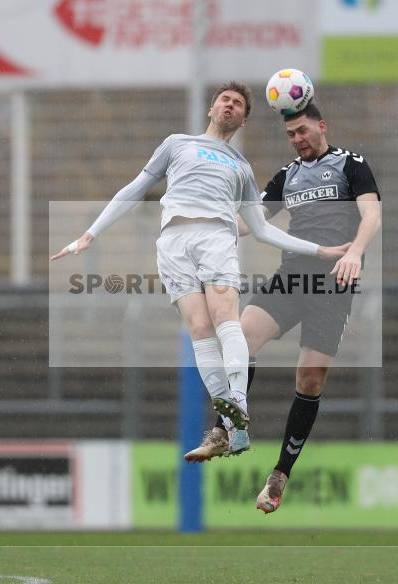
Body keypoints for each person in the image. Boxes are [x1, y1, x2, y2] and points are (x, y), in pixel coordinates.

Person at [51, 82, 349, 457]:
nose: (230, 105)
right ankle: (233, 422)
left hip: (216, 237)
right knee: (200, 329)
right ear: (211, 109)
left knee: (227, 316)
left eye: (238, 104)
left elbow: (261, 229)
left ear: (243, 120)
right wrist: (90, 234)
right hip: (173, 242)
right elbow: (136, 186)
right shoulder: (177, 143)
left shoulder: (241, 167)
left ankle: (237, 401)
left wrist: (318, 249)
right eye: (224, 99)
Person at [182, 102, 381, 515]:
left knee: (309, 381)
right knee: (239, 336)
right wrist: (201, 226)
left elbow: (372, 215)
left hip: (332, 285)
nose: (298, 139)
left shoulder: (350, 165)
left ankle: (279, 475)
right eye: (291, 135)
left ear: (321, 126)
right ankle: (226, 430)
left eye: (303, 131)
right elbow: (249, 222)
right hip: (291, 278)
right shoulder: (286, 177)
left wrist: (356, 253)